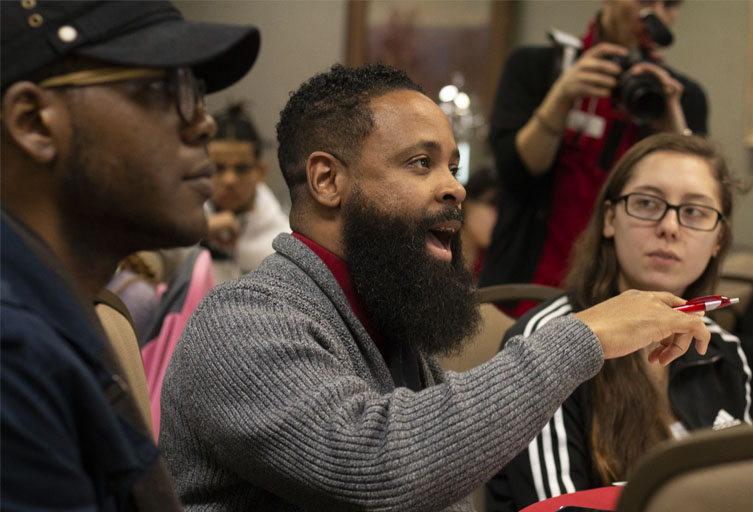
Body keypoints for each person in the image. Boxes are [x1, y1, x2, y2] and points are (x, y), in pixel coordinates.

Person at [158, 64, 712, 511]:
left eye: (452, 165)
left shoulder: (390, 322)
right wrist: (581, 334)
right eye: (420, 163)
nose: (455, 187)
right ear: (328, 180)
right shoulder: (242, 322)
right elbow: (377, 470)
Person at [0, 1, 260, 508]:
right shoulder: (14, 357)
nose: (203, 124)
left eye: (198, 92)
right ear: (35, 122)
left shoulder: (56, 316)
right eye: (168, 90)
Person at [485, 133, 752, 511]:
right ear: (610, 218)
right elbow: (561, 509)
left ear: (719, 240)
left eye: (694, 212)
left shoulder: (723, 350)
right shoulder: (547, 339)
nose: (670, 227)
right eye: (646, 203)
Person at [480, 0, 708, 318]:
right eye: (644, 0)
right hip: (525, 291)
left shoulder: (681, 97)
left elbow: (697, 203)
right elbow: (513, 173)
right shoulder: (534, 68)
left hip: (620, 302)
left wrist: (672, 129)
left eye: (669, 4)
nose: (655, 14)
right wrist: (561, 97)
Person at [203, 103, 291, 283]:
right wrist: (198, 230)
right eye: (218, 168)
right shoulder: (178, 232)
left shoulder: (285, 244)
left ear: (260, 171)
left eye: (241, 169)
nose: (229, 180)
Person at [460, 166, 500, 282]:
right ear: (466, 202)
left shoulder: (494, 261)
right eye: (492, 204)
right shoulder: (439, 249)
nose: (497, 217)